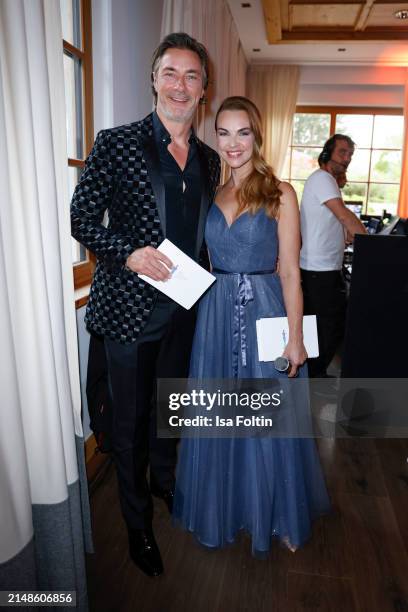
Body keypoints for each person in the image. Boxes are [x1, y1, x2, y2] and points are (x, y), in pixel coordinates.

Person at [70, 32, 220, 576]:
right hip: (129, 314)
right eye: (171, 73)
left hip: (185, 310)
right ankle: (136, 524)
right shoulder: (116, 143)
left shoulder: (209, 159)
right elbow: (81, 221)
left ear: (204, 89)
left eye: (192, 76)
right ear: (154, 80)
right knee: (130, 423)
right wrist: (128, 253)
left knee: (169, 411)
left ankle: (165, 483)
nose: (181, 85)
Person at [173, 96, 330, 556]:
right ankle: (225, 507)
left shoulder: (281, 192)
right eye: (223, 132)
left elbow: (290, 273)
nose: (233, 143)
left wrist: (296, 339)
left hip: (264, 307)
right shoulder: (212, 192)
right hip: (216, 314)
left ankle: (276, 514)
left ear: (257, 136)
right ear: (215, 136)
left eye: (243, 132)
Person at [299, 135, 366, 378]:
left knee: (328, 327)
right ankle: (314, 376)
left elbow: (335, 220)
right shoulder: (323, 178)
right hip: (319, 270)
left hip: (324, 268)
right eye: (342, 152)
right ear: (328, 153)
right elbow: (343, 214)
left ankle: (316, 374)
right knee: (329, 328)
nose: (347, 159)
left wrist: (345, 233)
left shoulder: (327, 181)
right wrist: (370, 243)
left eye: (350, 154)